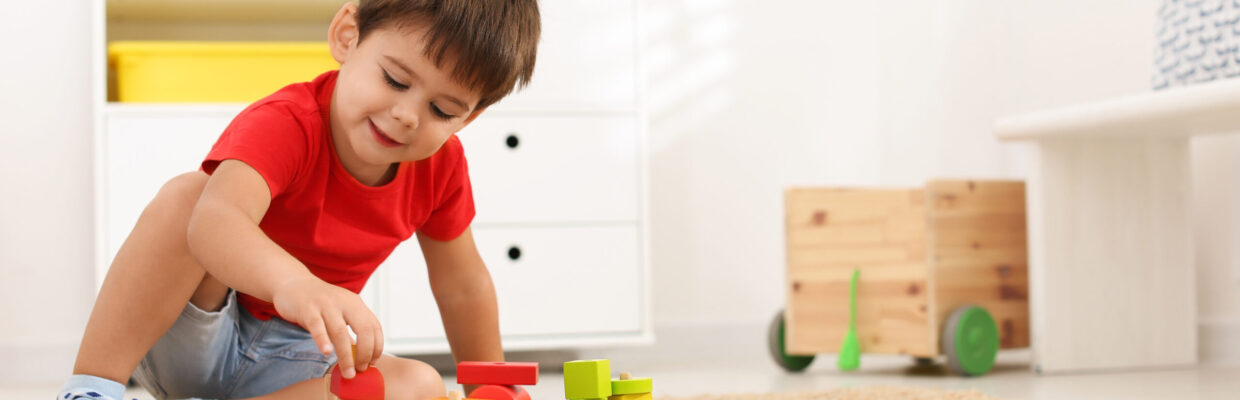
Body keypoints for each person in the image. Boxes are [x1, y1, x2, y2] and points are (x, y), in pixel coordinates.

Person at [58, 1, 539, 398]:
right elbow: (214, 222)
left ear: (467, 119)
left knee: (420, 384)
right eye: (395, 80)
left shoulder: (442, 167)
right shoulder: (288, 121)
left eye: (442, 109)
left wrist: (489, 383)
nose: (407, 116)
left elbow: (462, 284)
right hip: (203, 331)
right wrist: (294, 283)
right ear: (347, 37)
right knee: (192, 196)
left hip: (299, 360)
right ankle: (92, 387)